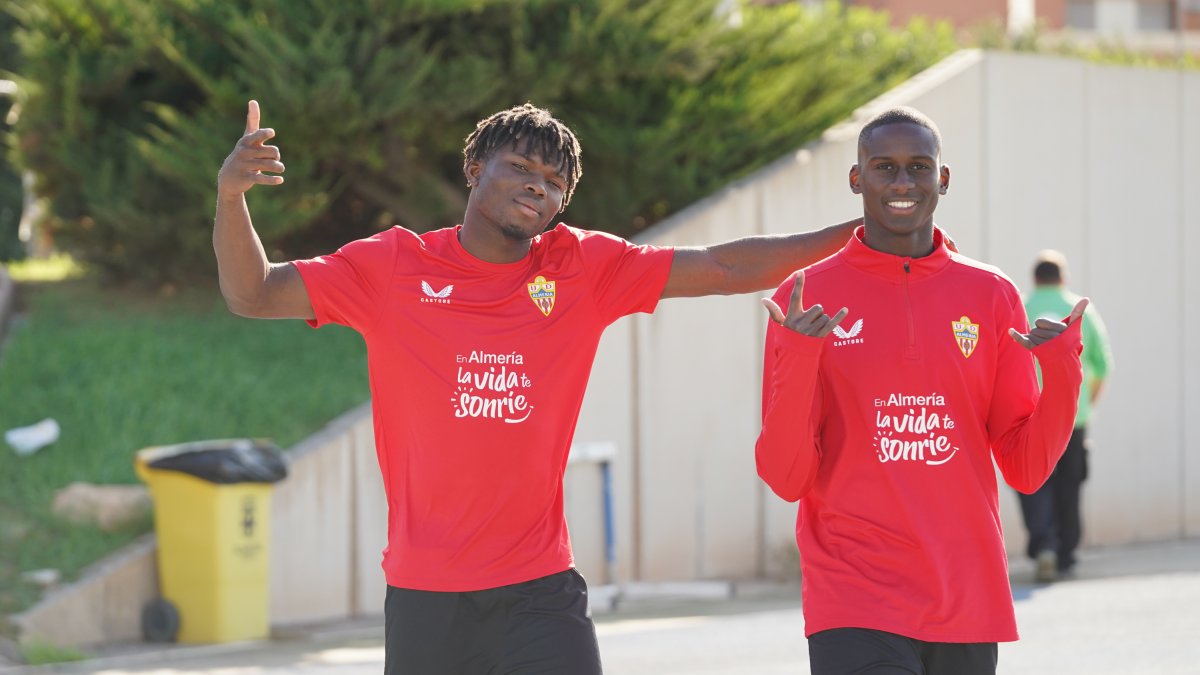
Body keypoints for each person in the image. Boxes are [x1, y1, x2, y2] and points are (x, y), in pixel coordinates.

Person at [215, 100, 859, 674]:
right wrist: (231, 198)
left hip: (539, 589)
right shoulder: (392, 266)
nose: (538, 187)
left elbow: (722, 267)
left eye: (554, 183)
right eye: (521, 167)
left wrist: (861, 236)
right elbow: (254, 293)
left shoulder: (582, 268)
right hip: (427, 595)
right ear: (475, 170)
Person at [754, 106, 1085, 675]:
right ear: (857, 178)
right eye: (884, 167)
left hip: (966, 595)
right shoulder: (806, 295)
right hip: (853, 594)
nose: (902, 184)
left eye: (918, 167)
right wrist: (799, 356)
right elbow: (786, 476)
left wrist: (1062, 372)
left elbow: (1026, 468)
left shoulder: (991, 294)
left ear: (943, 179)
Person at [1017, 250, 1114, 583]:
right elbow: (1102, 365)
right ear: (1064, 278)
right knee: (1069, 486)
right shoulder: (1080, 310)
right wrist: (1088, 405)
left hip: (1027, 414)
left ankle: (1044, 544)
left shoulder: (1020, 307)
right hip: (1073, 418)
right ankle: (1066, 554)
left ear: (1035, 278)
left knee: (1033, 482)